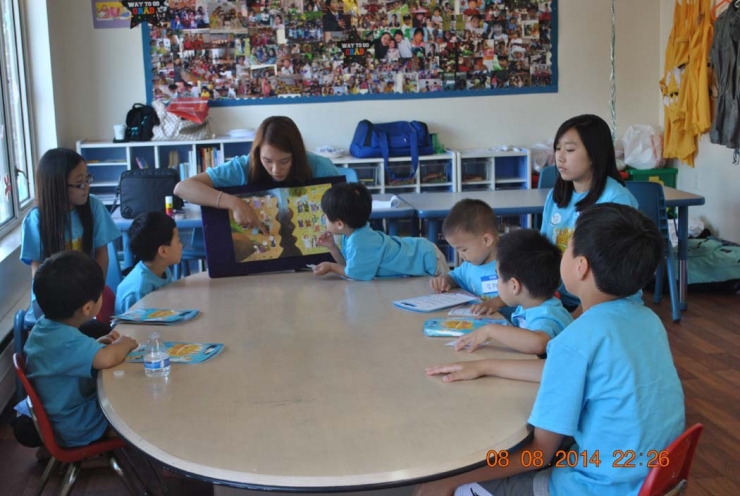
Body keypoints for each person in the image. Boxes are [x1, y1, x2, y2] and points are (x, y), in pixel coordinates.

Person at [421, 203, 685, 496]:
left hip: (595, 488)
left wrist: (451, 480)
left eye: (567, 246)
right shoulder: (648, 320)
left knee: (450, 486)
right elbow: (566, 370)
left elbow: (538, 455)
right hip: (650, 478)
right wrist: (485, 366)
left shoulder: (576, 341)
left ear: (580, 266)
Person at [24, 251, 138, 447]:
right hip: (78, 425)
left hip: (59, 417)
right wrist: (124, 343)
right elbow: (107, 359)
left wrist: (97, 344)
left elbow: (69, 356)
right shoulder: (66, 340)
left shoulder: (44, 327)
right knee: (135, 408)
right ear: (87, 308)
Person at [174, 116, 340, 232]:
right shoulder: (242, 167)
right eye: (267, 160)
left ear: (297, 156)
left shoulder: (320, 166)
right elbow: (183, 188)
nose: (275, 170)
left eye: (284, 161)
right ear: (257, 153)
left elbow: (347, 207)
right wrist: (234, 203)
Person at [542, 114, 638, 315]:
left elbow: (612, 273)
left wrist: (573, 319)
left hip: (605, 304)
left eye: (569, 150)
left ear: (594, 154)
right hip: (561, 299)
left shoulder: (616, 198)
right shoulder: (556, 196)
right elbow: (545, 251)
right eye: (557, 148)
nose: (560, 157)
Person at [20, 148, 121, 337]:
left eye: (87, 179)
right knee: (72, 335)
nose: (87, 187)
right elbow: (37, 271)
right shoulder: (36, 219)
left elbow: (102, 254)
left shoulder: (94, 206)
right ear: (57, 187)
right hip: (50, 299)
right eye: (79, 183)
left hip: (86, 293)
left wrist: (95, 290)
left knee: (100, 331)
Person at [452, 229, 572, 357]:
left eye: (498, 277)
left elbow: (538, 343)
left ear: (514, 286)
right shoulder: (530, 305)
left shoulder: (547, 315)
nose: (497, 282)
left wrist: (489, 331)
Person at [312, 183, 448, 280]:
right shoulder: (354, 234)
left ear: (340, 224)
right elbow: (349, 266)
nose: (324, 219)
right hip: (421, 251)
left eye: (326, 216)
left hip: (428, 258)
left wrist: (331, 267)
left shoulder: (359, 242)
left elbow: (354, 273)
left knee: (447, 293)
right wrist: (332, 246)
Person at [429, 199, 504, 313]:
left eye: (464, 249)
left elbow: (522, 292)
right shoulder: (469, 266)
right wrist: (444, 281)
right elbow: (455, 277)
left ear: (486, 240)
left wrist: (494, 303)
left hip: (509, 323)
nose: (460, 256)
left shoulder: (509, 263)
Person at [115, 211, 183, 315]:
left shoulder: (162, 269)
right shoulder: (140, 290)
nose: (181, 245)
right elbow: (135, 323)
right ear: (163, 251)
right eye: (178, 240)